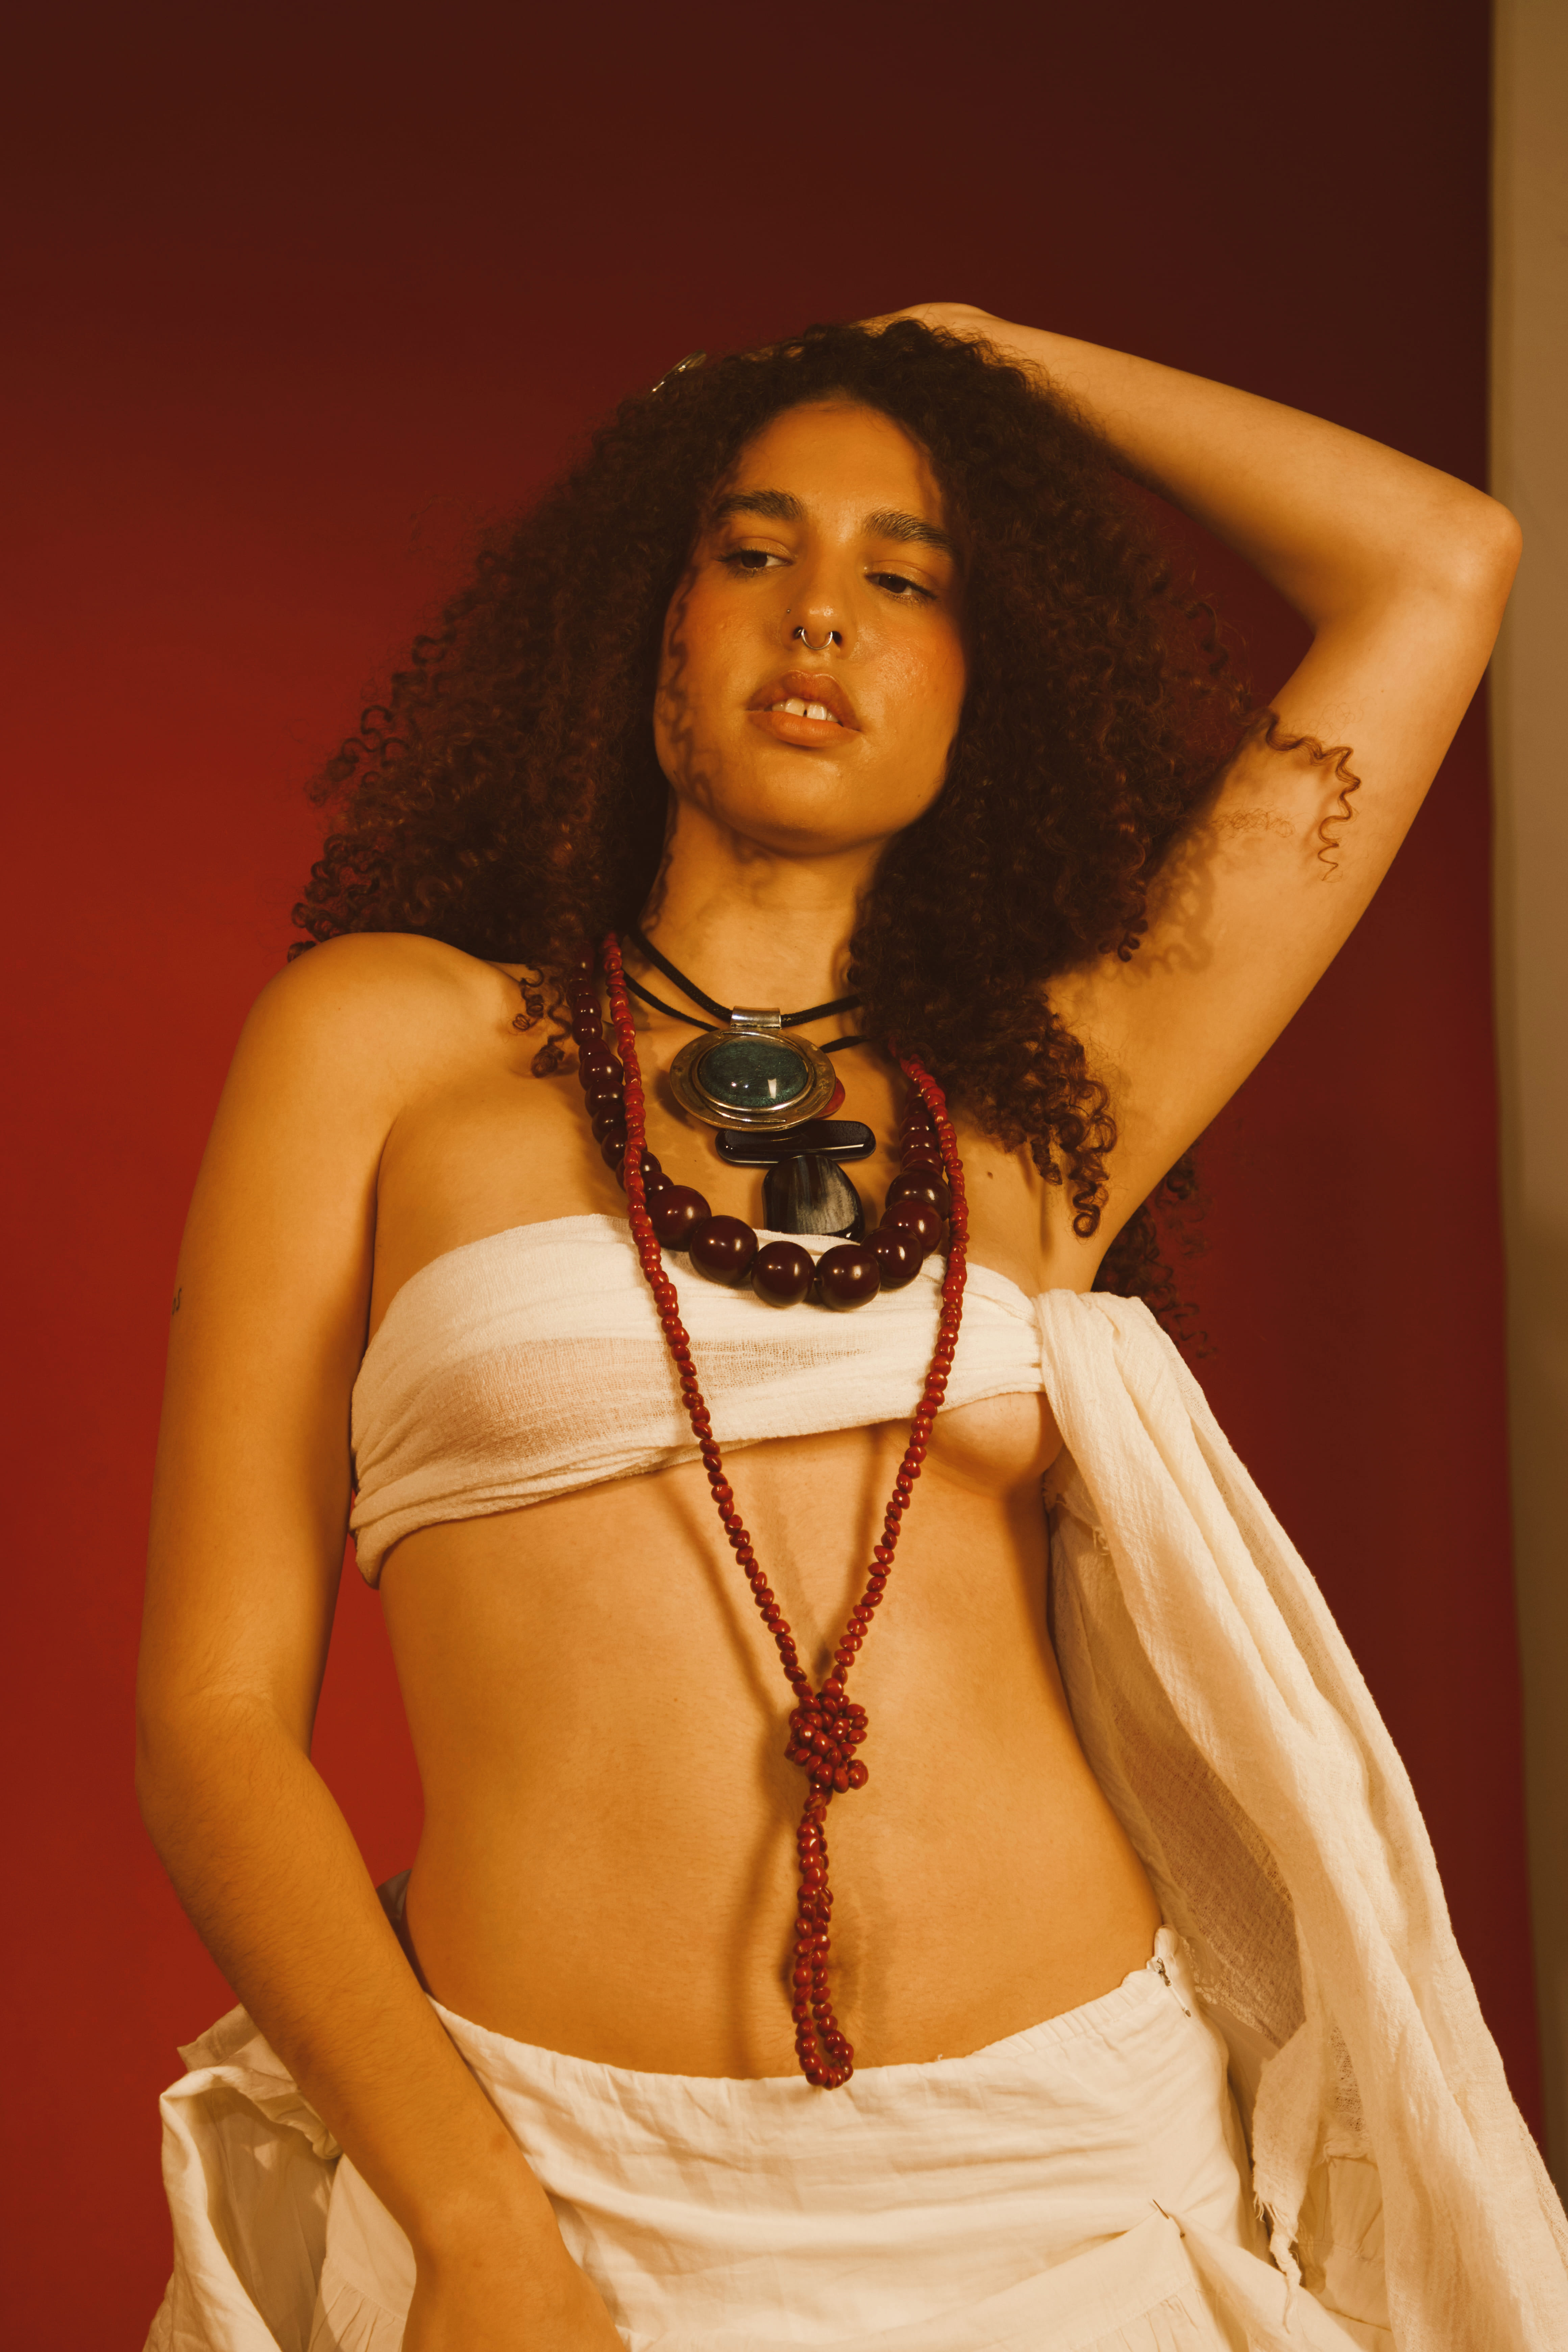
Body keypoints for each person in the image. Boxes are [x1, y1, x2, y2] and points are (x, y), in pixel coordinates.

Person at [137, 309, 1566, 2352]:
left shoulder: (1059, 1097)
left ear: (991, 689)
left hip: (1072, 2181)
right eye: (755, 551)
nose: (823, 613)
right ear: (649, 631)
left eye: (910, 579)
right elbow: (210, 1715)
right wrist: (468, 2217)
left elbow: (1442, 561)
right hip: (553, 2188)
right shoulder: (386, 1042)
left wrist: (975, 355)